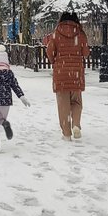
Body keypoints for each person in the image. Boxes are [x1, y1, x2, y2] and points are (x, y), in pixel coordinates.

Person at [43, 11, 89, 140]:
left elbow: (49, 51)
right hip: (76, 73)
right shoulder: (80, 34)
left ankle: (67, 133)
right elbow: (85, 52)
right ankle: (76, 125)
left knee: (63, 104)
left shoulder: (56, 34)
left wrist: (55, 61)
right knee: (76, 101)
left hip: (61, 72)